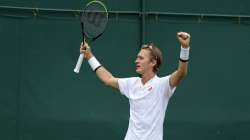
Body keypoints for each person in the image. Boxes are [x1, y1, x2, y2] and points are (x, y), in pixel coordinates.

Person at [80, 32, 191, 140]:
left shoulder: (162, 85)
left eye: (141, 58)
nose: (136, 61)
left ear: (153, 62)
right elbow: (108, 79)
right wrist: (89, 56)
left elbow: (181, 73)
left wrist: (184, 48)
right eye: (137, 57)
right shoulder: (132, 83)